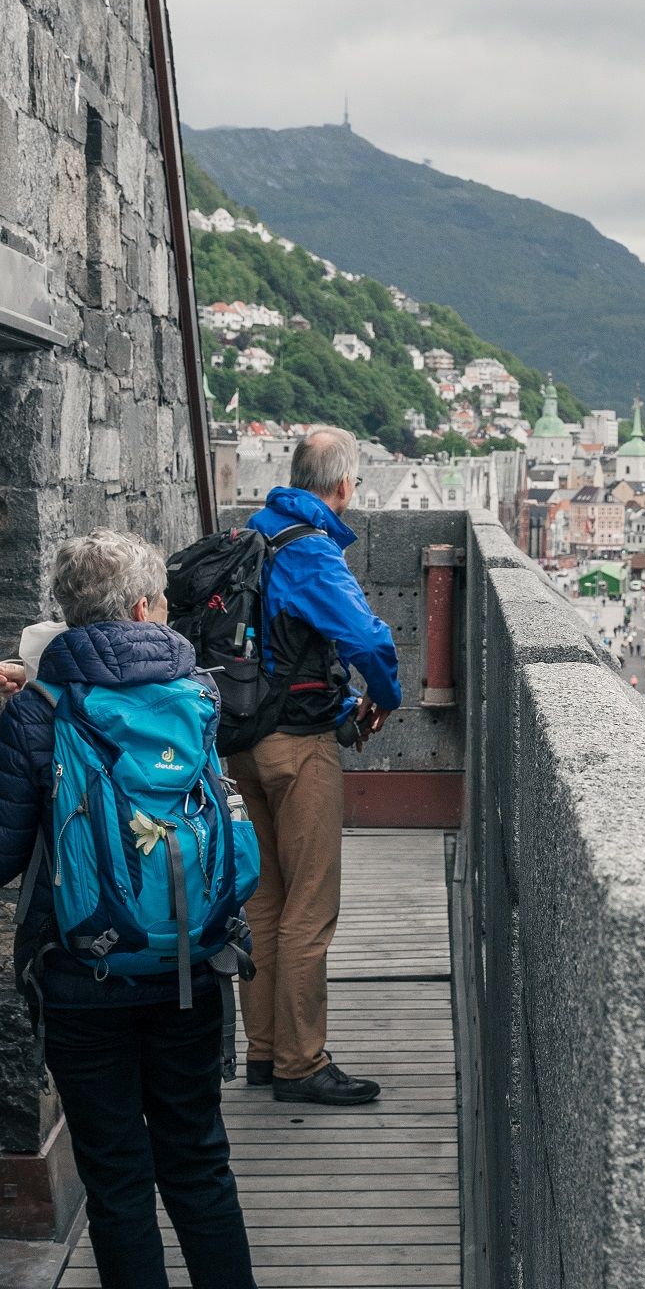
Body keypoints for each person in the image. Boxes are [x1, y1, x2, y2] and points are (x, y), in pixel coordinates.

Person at [0, 529, 267, 1289]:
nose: (165, 611)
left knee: (120, 1184)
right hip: (190, 970)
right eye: (160, 600)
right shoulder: (195, 691)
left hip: (85, 980)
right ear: (140, 609)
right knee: (198, 1162)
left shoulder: (41, 713)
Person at [230, 426, 401, 1106]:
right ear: (342, 485)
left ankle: (265, 1052)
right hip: (298, 746)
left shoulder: (255, 533)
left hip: (240, 741)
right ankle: (302, 1063)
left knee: (264, 902)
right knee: (309, 906)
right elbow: (367, 640)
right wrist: (383, 698)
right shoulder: (310, 550)